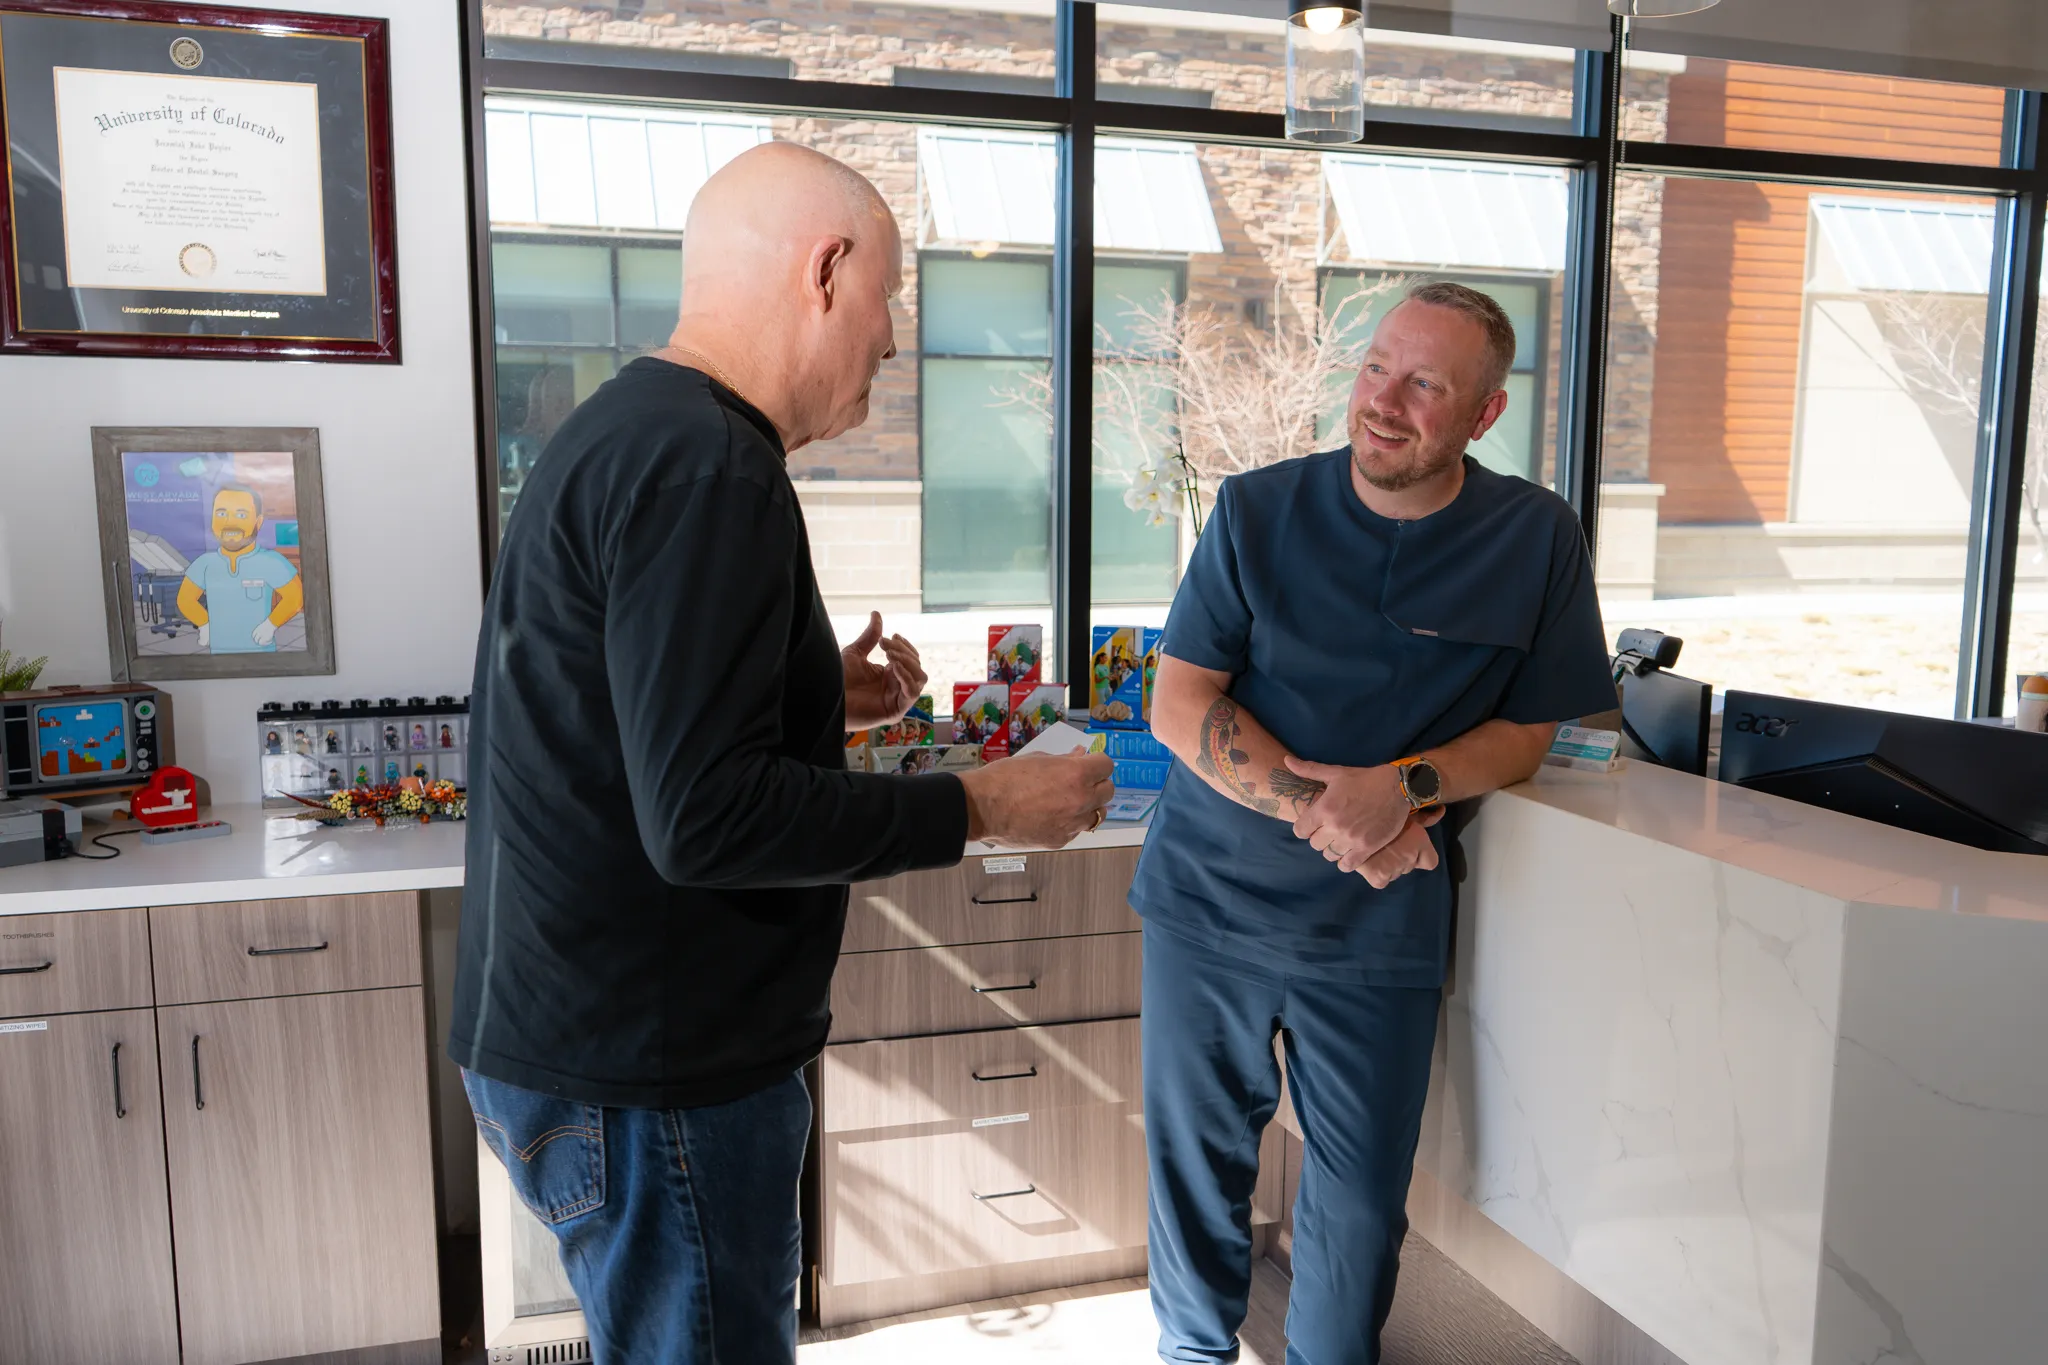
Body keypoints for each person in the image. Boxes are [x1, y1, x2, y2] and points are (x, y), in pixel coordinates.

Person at [447, 142, 1113, 1365]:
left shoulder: (627, 428)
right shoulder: (712, 467)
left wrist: (815, 692)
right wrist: (981, 804)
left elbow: (619, 706)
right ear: (825, 269)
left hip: (578, 1043)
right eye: (890, 296)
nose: (895, 340)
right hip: (659, 1075)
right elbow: (706, 819)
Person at [1136, 281, 1617, 1365]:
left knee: (1357, 1210)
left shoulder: (1532, 537)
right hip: (1210, 906)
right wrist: (1330, 808)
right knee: (1194, 1173)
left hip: (1379, 927)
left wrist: (1400, 787)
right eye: (1372, 369)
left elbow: (1527, 732)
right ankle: (1188, 1356)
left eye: (1423, 384)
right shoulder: (1256, 509)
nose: (1382, 402)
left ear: (1483, 415)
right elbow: (1180, 702)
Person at [175, 485, 303, 653]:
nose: (230, 522)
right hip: (218, 654)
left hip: (261, 653)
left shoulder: (272, 562)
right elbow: (185, 600)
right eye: (221, 514)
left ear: (258, 522)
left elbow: (295, 597)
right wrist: (204, 624)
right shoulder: (204, 564)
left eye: (241, 515)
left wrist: (270, 625)